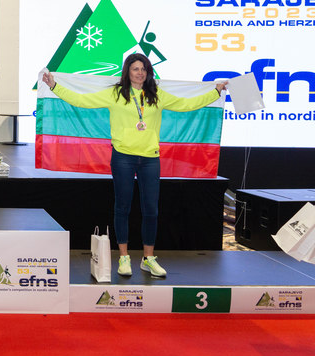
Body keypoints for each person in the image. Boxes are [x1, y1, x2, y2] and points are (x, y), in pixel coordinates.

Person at [41, 53, 227, 278]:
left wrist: (215, 92)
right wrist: (55, 86)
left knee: (151, 210)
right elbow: (82, 100)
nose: (140, 73)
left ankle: (148, 258)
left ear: (148, 72)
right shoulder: (115, 94)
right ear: (127, 72)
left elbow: (186, 104)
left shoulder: (156, 95)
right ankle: (124, 257)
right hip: (123, 158)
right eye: (135, 69)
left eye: (144, 69)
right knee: (123, 208)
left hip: (150, 158)